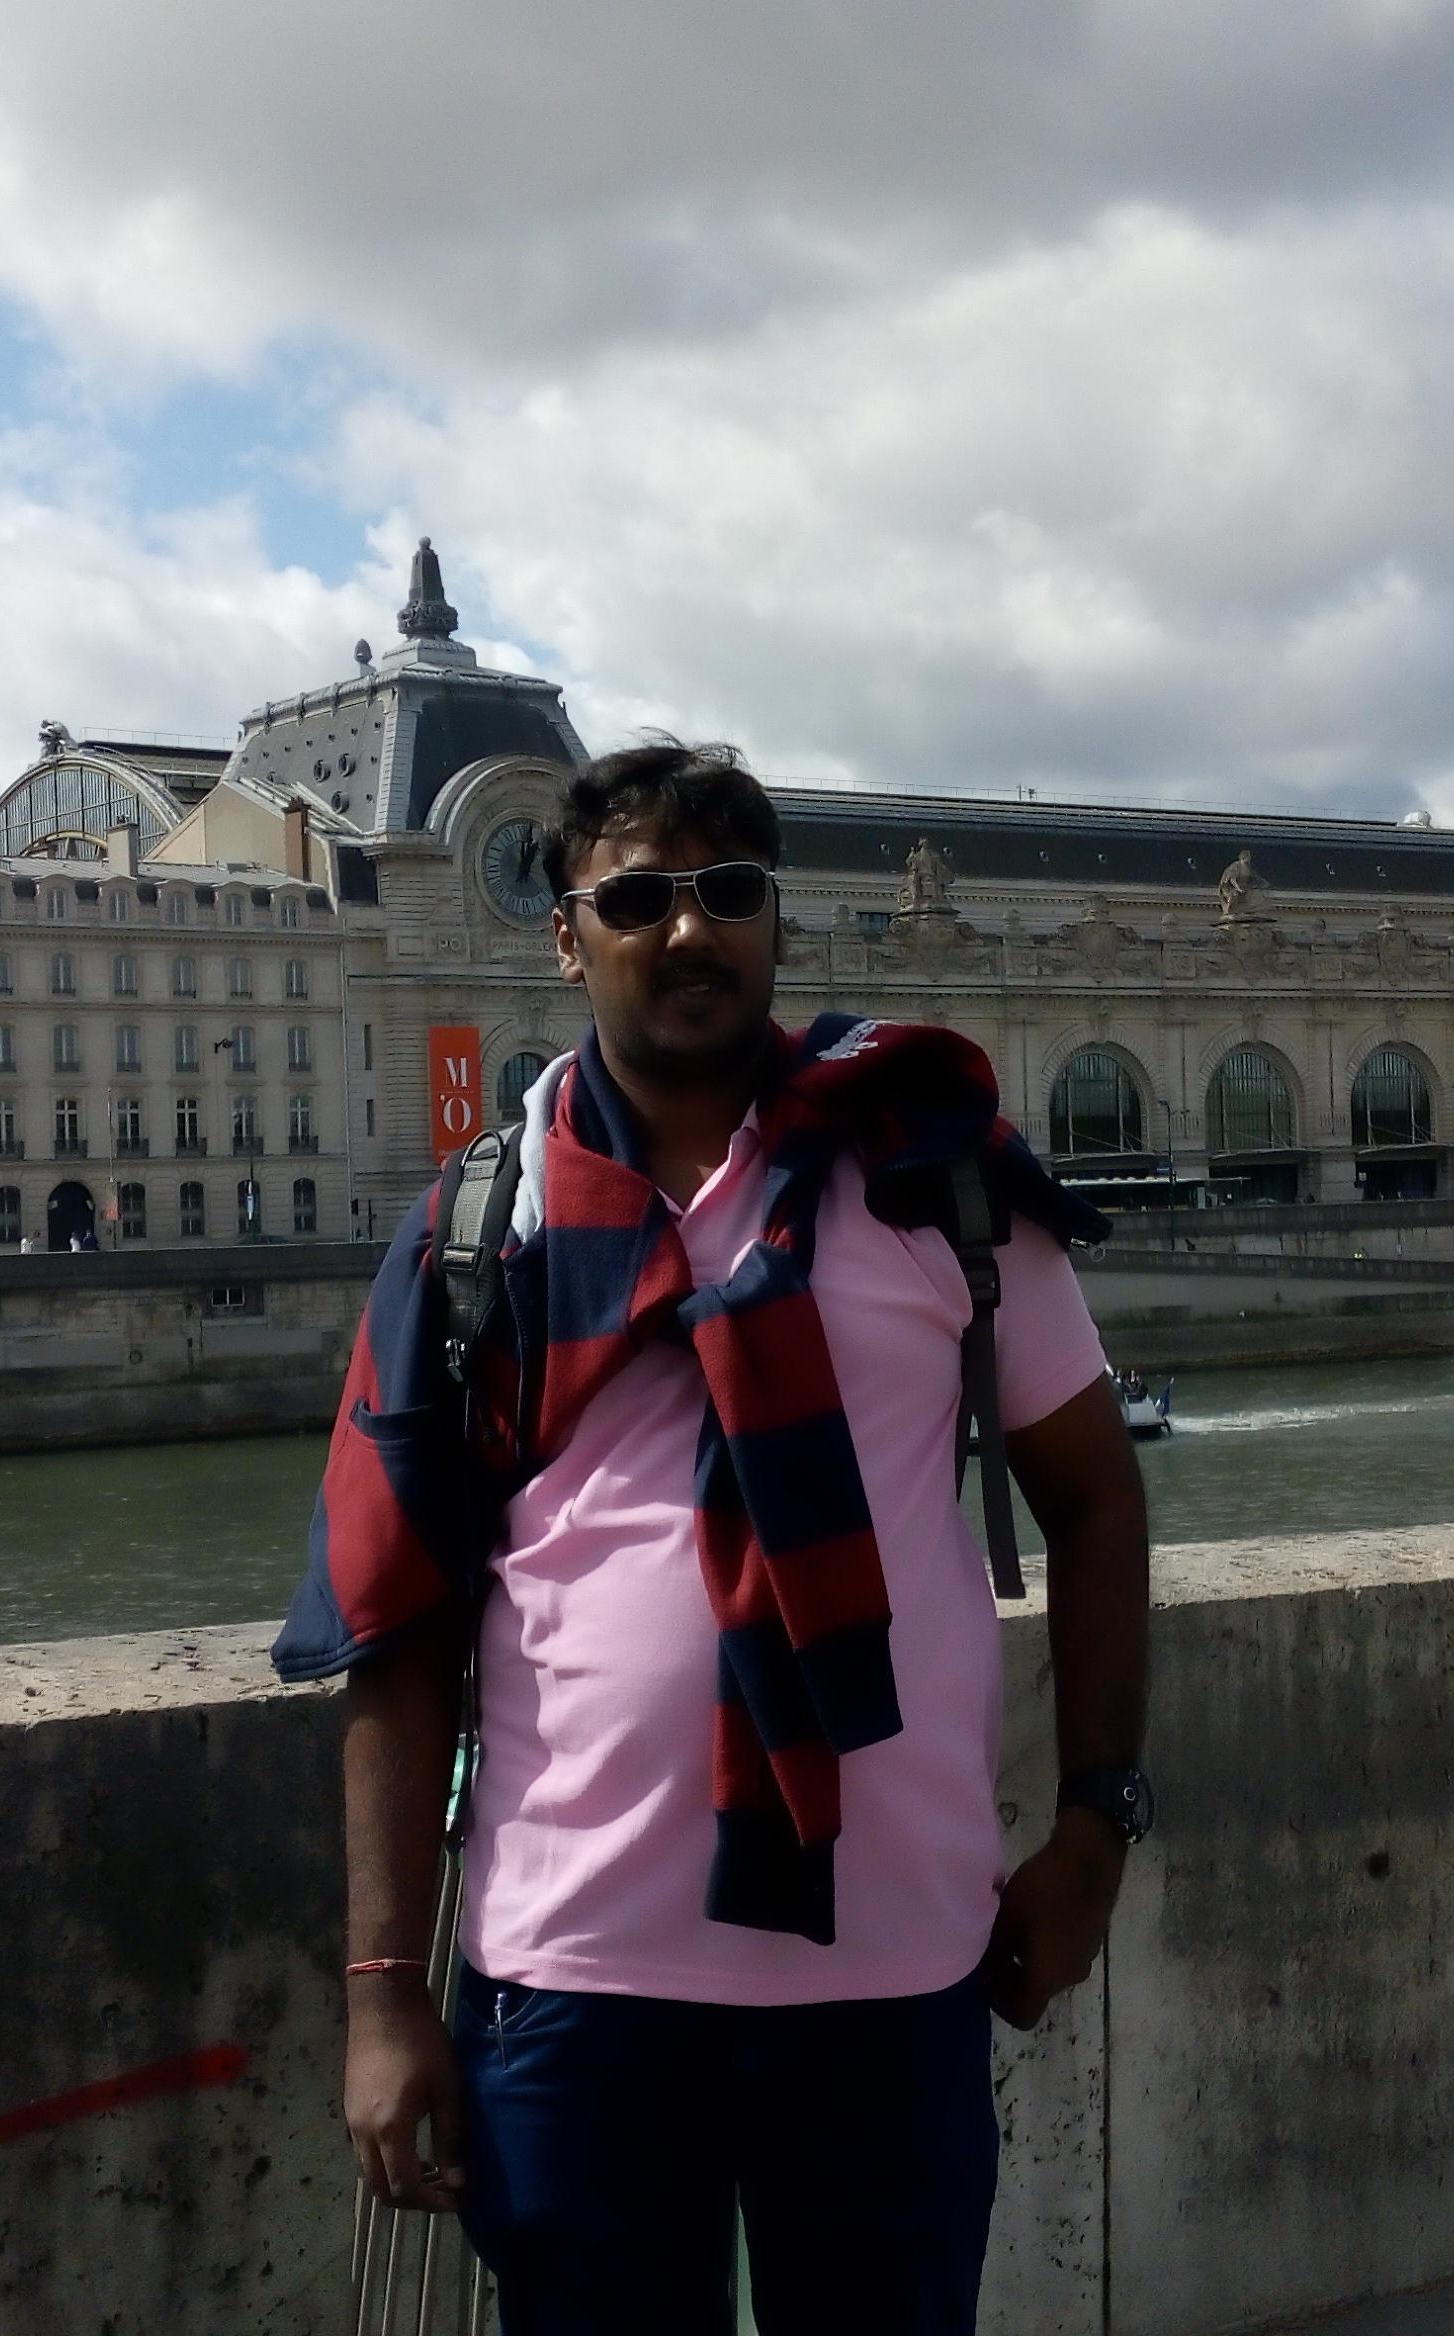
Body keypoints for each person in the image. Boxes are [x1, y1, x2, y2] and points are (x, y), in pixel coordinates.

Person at [276, 742, 1152, 2334]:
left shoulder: (932, 1179)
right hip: (577, 1981)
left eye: (728, 892)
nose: (689, 931)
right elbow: (395, 1624)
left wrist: (1099, 1823)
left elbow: (1095, 1498)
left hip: (896, 1968)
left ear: (774, 920)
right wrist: (385, 1994)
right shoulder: (479, 1226)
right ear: (567, 936)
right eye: (637, 901)